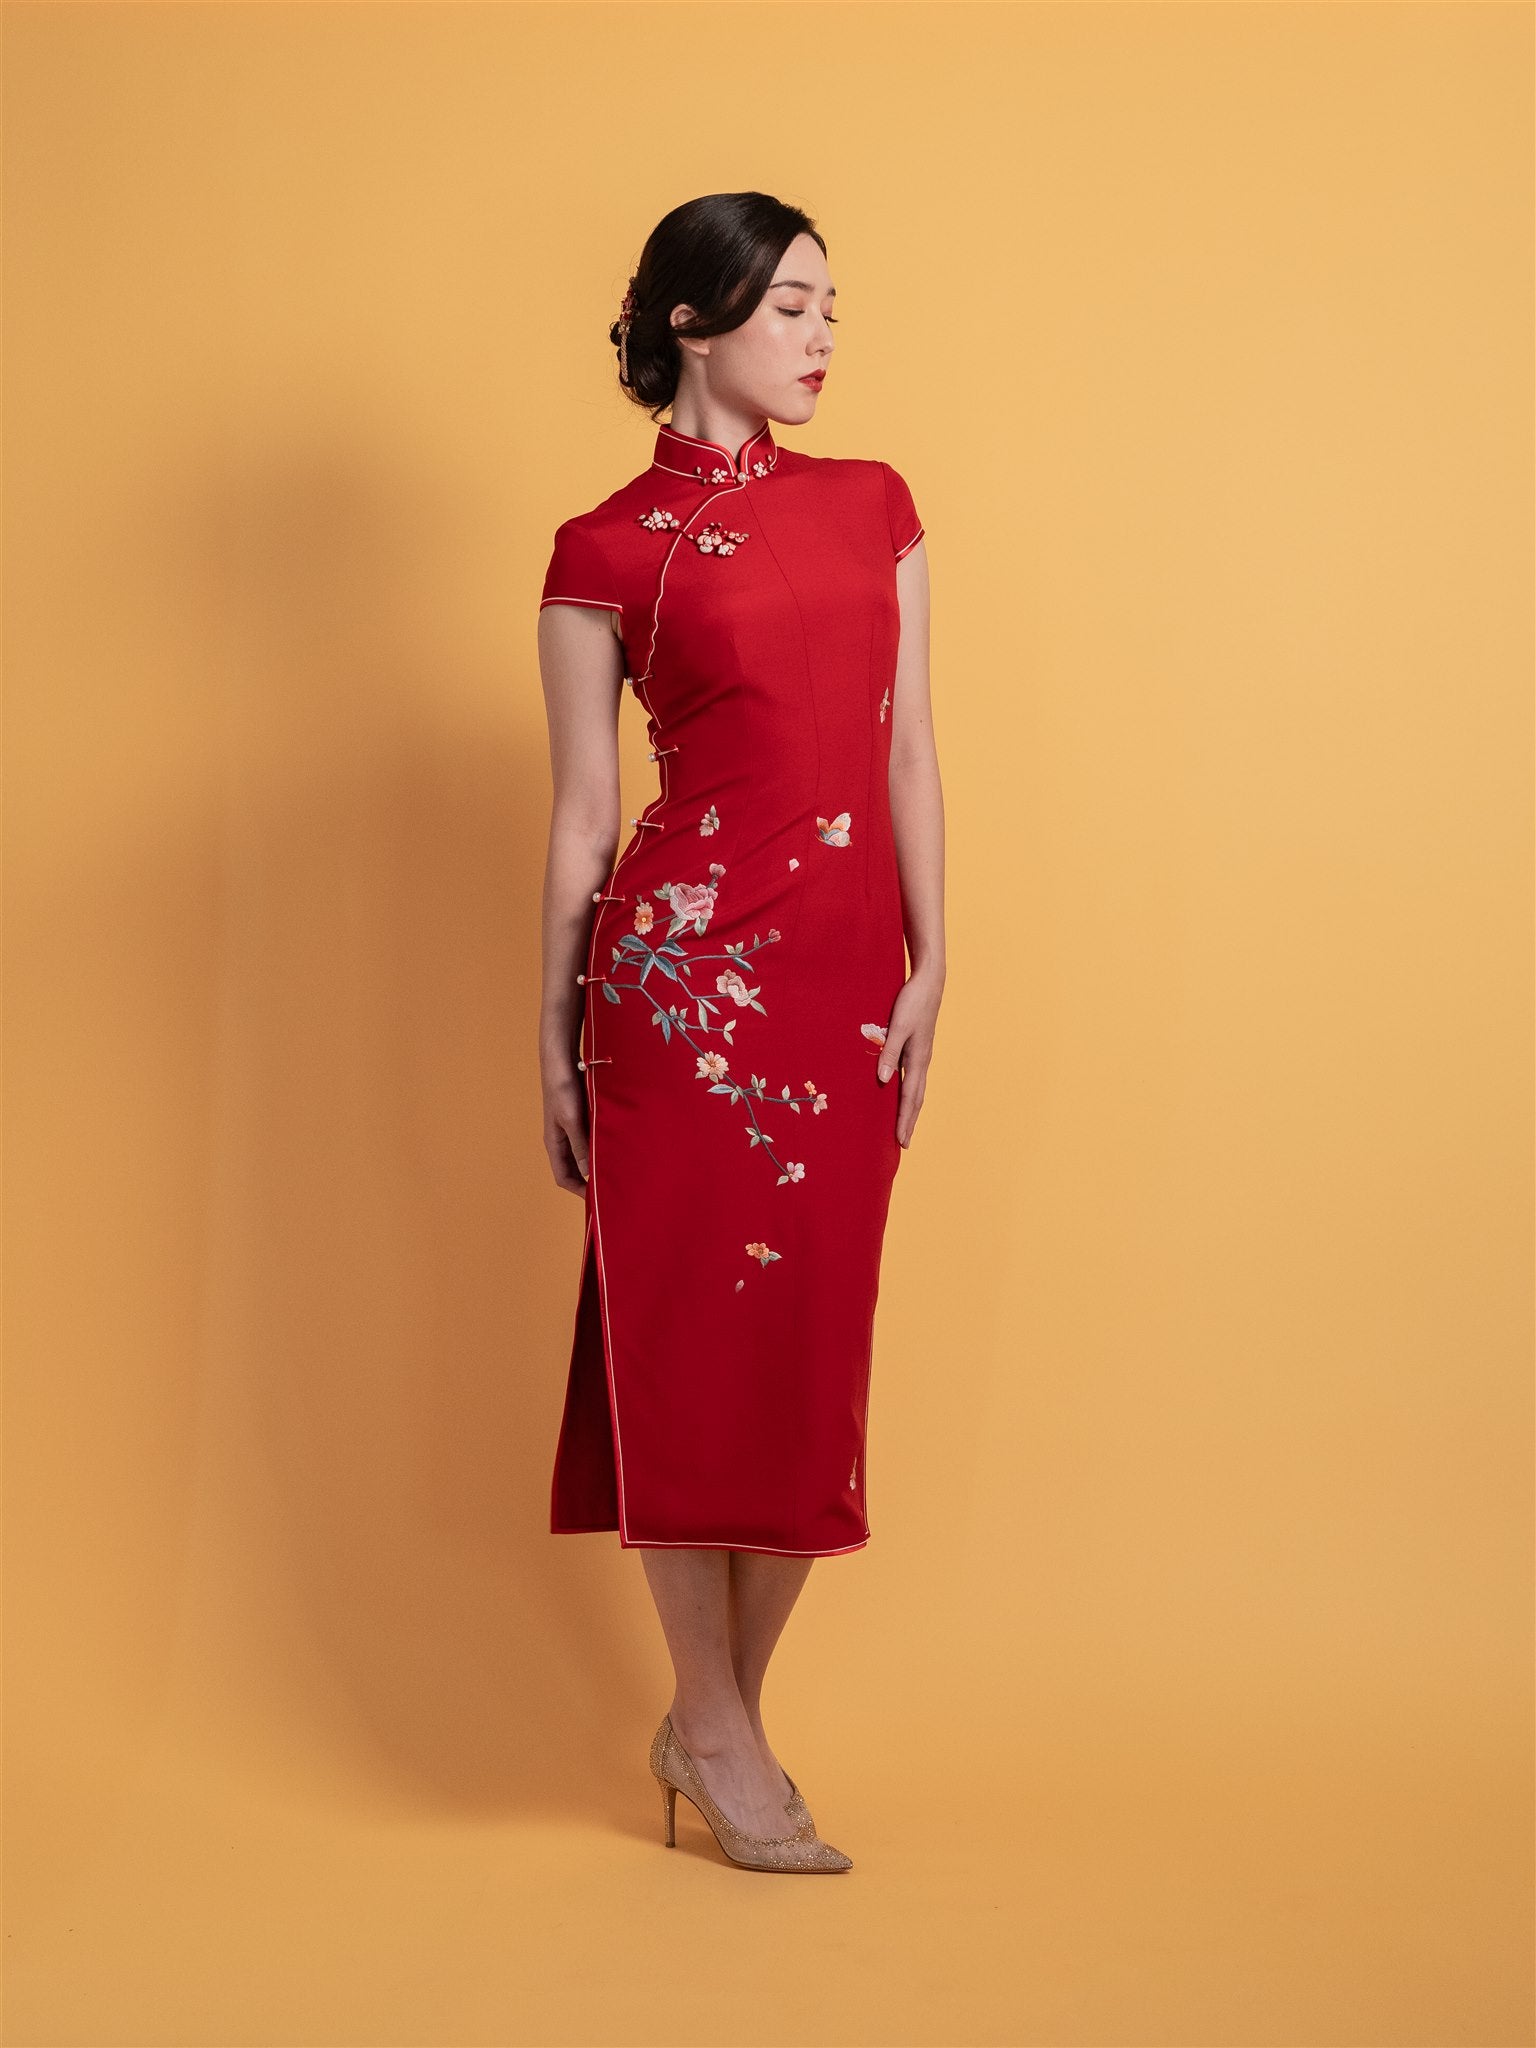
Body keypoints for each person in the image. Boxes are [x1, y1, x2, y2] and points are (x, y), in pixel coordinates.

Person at [536, 192, 945, 1872]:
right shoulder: (602, 548)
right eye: (790, 306)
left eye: (834, 306)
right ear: (695, 322)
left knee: (800, 1359)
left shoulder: (876, 507)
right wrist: (548, 1044)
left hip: (844, 981)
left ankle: (719, 1719)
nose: (825, 335)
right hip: (676, 996)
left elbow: (909, 749)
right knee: (688, 1358)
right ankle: (714, 1725)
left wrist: (939, 961)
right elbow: (579, 819)